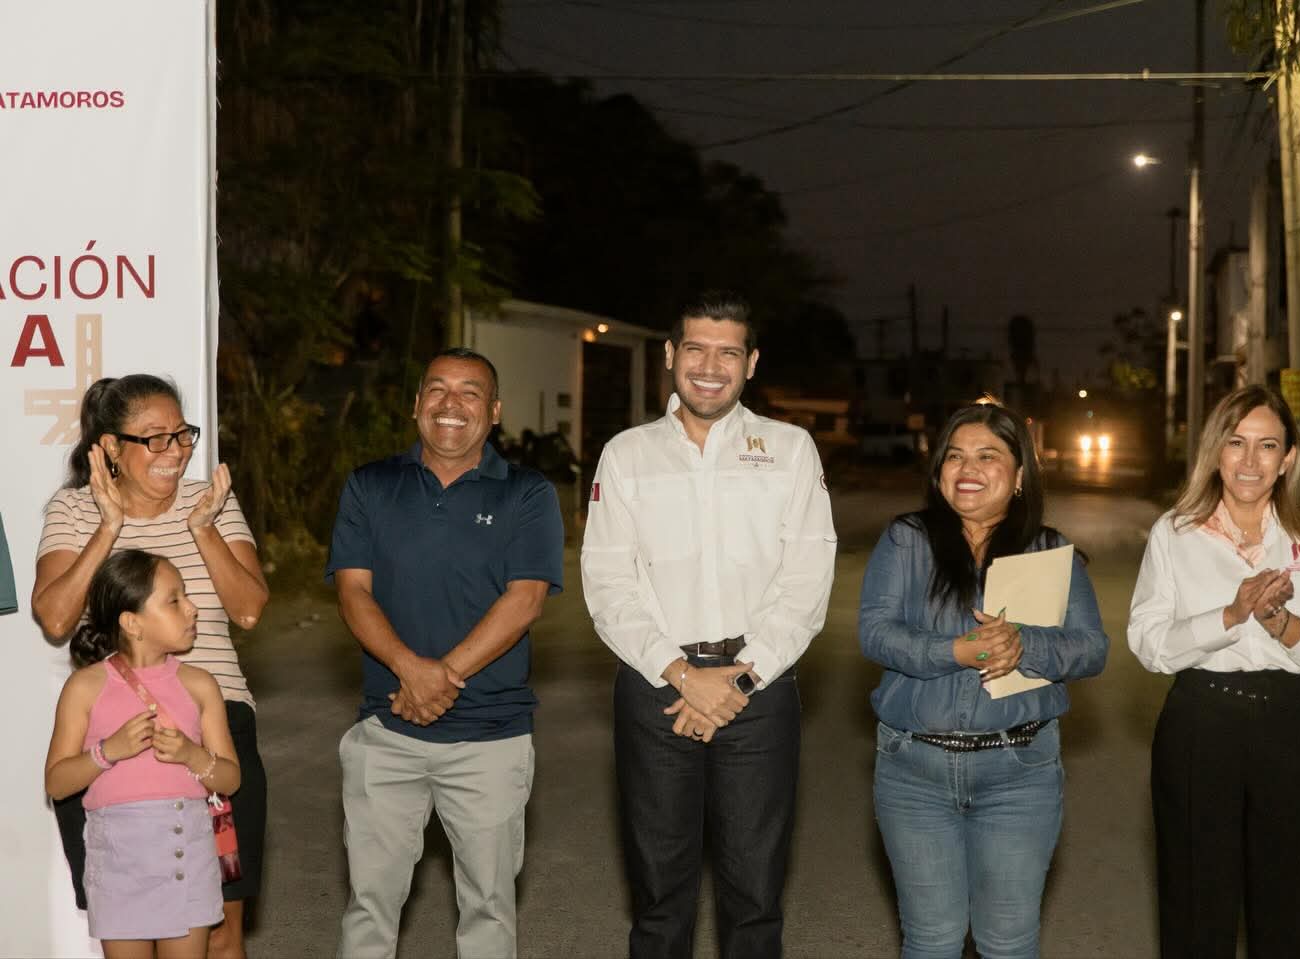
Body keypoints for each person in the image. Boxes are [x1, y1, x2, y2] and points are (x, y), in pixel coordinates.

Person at [581, 291, 837, 959]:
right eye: (695, 348)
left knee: (754, 898)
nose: (710, 366)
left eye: (728, 352)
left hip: (759, 690)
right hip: (655, 690)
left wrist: (736, 682)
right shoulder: (627, 454)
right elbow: (608, 583)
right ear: (671, 355)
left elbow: (806, 581)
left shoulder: (790, 449)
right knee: (659, 896)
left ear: (750, 363)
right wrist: (682, 675)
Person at [326, 346, 564, 959]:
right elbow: (353, 593)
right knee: (369, 907)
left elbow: (525, 600)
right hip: (386, 731)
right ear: (416, 404)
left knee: (488, 910)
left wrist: (441, 677)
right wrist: (411, 671)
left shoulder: (527, 493)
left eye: (469, 392)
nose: (450, 404)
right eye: (437, 389)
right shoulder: (370, 485)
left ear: (494, 411)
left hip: (491, 739)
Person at [858, 400, 1108, 959]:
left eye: (987, 456)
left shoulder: (1049, 551)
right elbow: (875, 634)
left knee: (1008, 943)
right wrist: (956, 651)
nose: (967, 468)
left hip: (1019, 774)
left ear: (1019, 476)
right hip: (913, 772)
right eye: (955, 456)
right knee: (931, 940)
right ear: (939, 470)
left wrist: (1026, 645)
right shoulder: (907, 540)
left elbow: (1092, 649)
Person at [33, 374, 269, 959]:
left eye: (182, 435)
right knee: (128, 923)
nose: (175, 451)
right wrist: (108, 527)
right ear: (112, 448)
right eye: (154, 437)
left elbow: (248, 609)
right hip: (114, 738)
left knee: (220, 930)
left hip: (212, 725)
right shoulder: (74, 509)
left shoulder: (209, 501)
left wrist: (202, 528)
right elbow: (55, 618)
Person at [1128, 384, 1300, 957]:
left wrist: (1280, 622)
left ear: (1288, 458)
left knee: (1290, 906)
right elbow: (1149, 644)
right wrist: (1230, 615)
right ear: (1216, 451)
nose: (1250, 461)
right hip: (1200, 721)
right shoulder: (1175, 534)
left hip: (1291, 724)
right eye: (1236, 443)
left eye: (1267, 445)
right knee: (1196, 906)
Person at [44, 549, 243, 959]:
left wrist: (191, 755)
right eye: (174, 600)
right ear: (132, 623)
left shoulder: (200, 684)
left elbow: (231, 779)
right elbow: (56, 783)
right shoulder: (85, 687)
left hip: (186, 854)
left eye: (186, 596)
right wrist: (106, 752)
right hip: (119, 864)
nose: (191, 608)